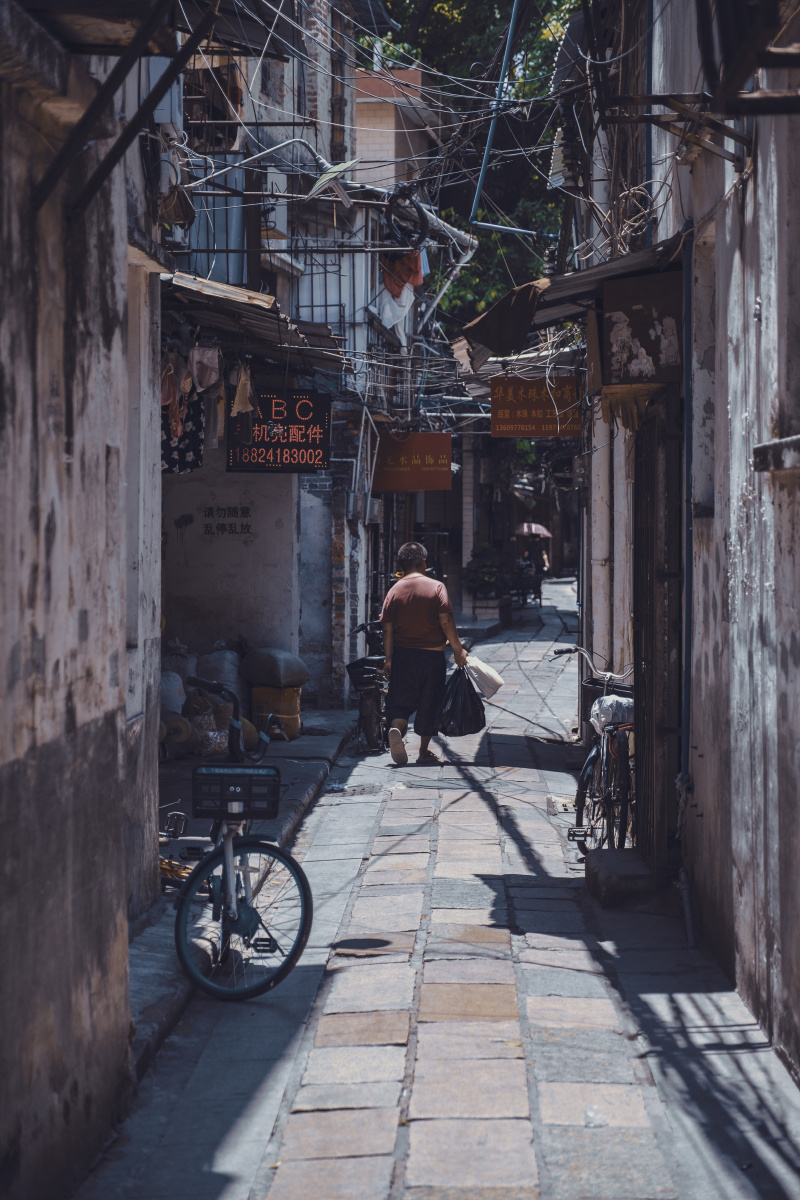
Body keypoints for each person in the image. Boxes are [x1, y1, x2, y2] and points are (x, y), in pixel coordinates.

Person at [381, 541, 468, 766]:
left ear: (402, 563)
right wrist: (458, 650)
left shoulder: (394, 590)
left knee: (400, 700)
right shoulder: (436, 587)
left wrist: (389, 658)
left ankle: (395, 728)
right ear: (424, 563)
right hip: (432, 656)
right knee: (429, 702)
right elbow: (446, 621)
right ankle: (423, 751)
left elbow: (387, 628)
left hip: (402, 655)